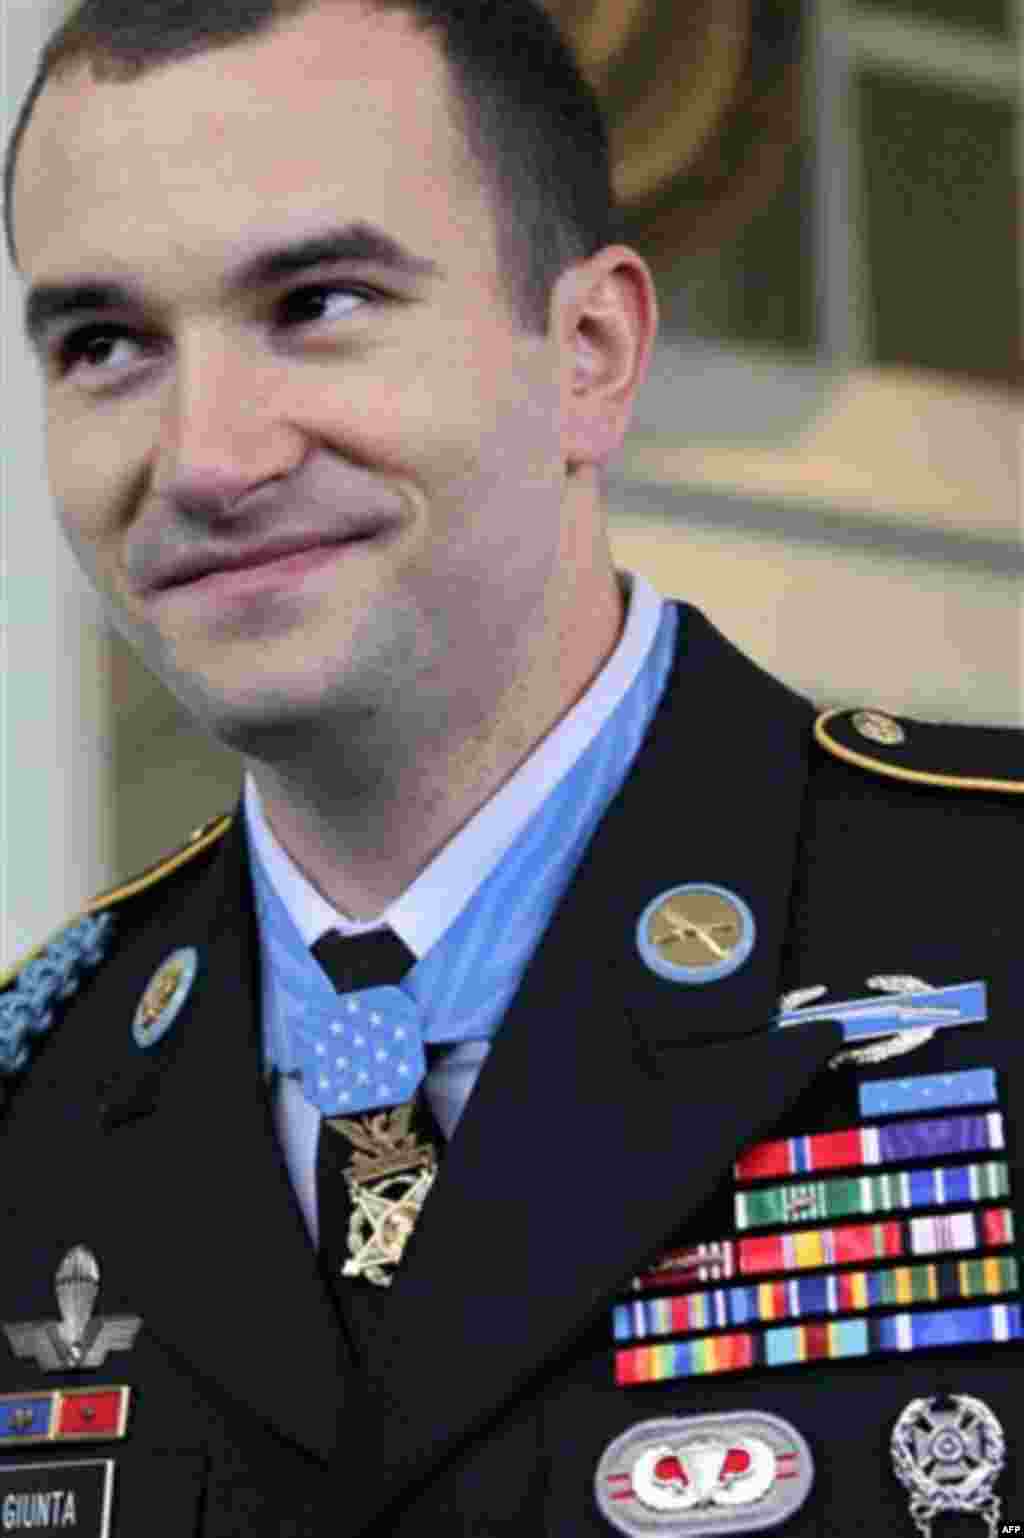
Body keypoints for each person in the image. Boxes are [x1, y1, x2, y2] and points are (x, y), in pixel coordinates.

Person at [1, 2, 1020, 1534]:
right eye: (105, 344)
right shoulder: (33, 1096)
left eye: (320, 300)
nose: (207, 456)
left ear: (591, 355)